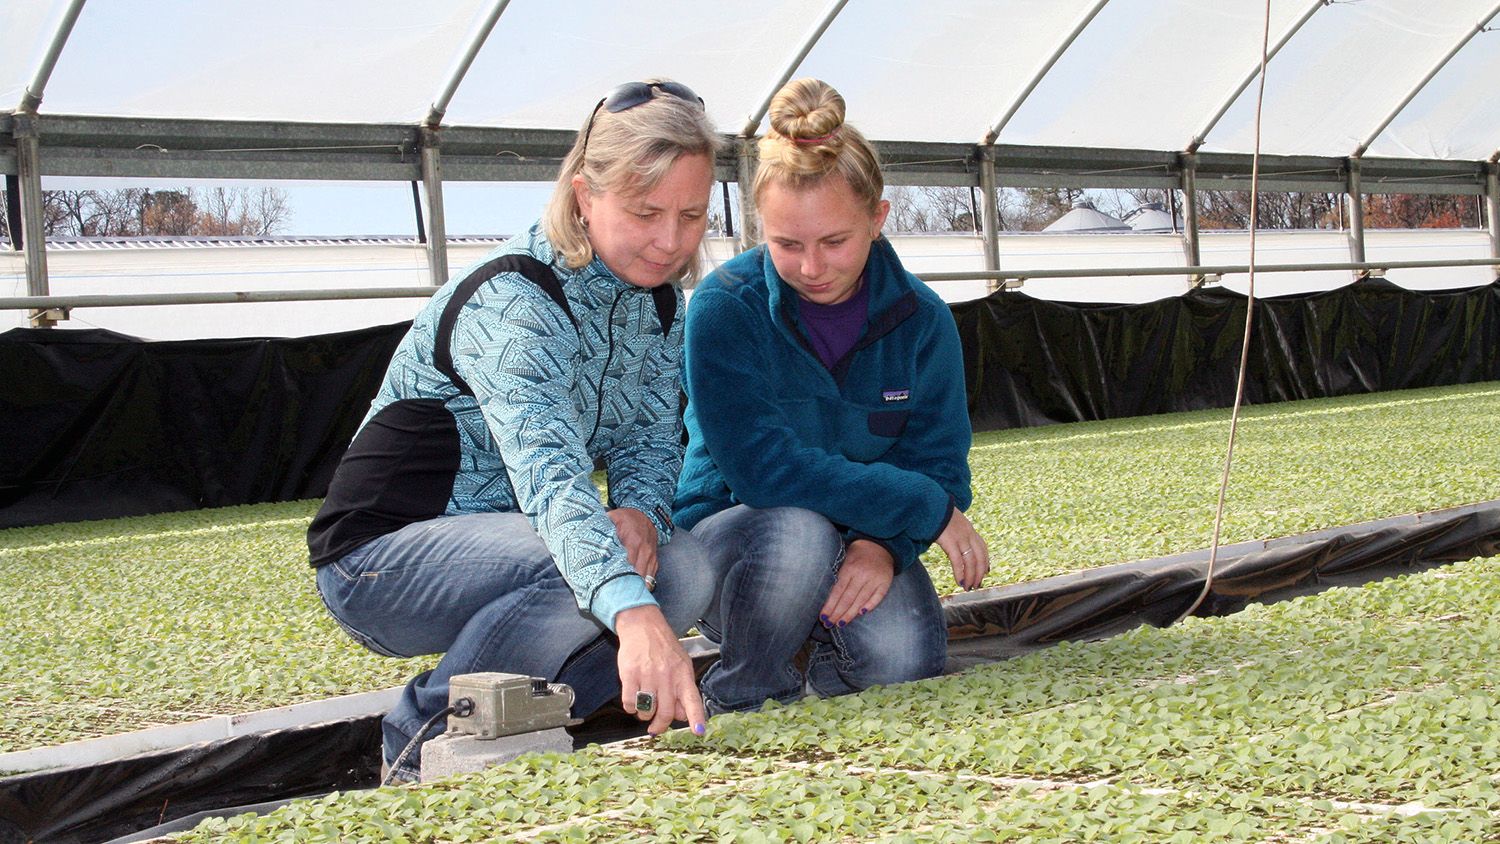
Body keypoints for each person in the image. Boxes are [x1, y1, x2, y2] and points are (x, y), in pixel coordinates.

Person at [307, 80, 720, 782]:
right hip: (377, 559)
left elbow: (651, 436)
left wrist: (645, 517)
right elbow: (553, 481)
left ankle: (521, 720)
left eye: (692, 215)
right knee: (586, 571)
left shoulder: (657, 302)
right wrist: (635, 617)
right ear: (585, 195)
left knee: (682, 571)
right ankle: (421, 743)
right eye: (646, 212)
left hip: (512, 543)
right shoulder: (513, 298)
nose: (671, 241)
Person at [674, 78, 989, 715]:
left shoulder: (923, 320)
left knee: (904, 663)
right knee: (799, 535)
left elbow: (939, 462)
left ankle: (819, 653)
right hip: (739, 540)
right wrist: (920, 506)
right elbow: (763, 472)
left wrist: (884, 547)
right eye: (787, 244)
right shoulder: (723, 309)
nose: (812, 268)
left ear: (878, 218)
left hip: (864, 534)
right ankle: (746, 687)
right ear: (760, 225)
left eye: (834, 242)